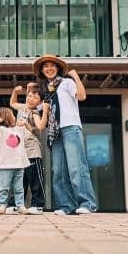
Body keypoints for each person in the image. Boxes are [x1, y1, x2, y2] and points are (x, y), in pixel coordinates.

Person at [34, 54, 97, 216]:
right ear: (42, 70)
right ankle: (66, 205)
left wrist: (76, 77)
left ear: (58, 68)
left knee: (76, 167)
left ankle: (87, 203)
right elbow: (36, 108)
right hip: (54, 133)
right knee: (58, 171)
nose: (49, 68)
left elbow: (82, 96)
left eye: (52, 65)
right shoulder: (45, 91)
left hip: (70, 128)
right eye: (45, 66)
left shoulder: (66, 82)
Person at [8, 84, 49, 215]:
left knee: (35, 180)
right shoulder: (22, 108)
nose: (31, 99)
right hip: (20, 150)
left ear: (39, 102)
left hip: (32, 151)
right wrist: (15, 92)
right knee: (20, 180)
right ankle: (16, 205)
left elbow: (40, 127)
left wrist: (45, 111)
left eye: (35, 98)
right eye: (30, 96)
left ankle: (37, 205)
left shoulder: (34, 113)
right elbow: (12, 103)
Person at [0, 107, 30, 215]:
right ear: (6, 118)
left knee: (19, 188)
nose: (14, 117)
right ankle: (2, 205)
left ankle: (20, 206)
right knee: (4, 188)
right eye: (12, 115)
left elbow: (30, 131)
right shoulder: (0, 130)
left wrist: (25, 124)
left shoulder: (18, 129)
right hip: (5, 165)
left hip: (19, 164)